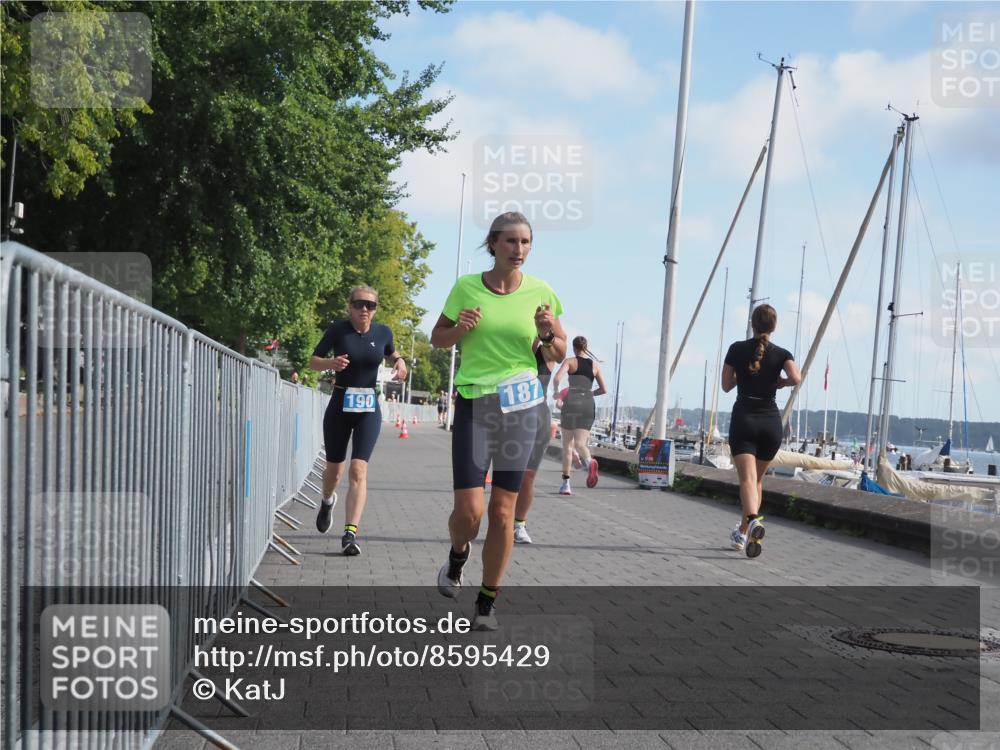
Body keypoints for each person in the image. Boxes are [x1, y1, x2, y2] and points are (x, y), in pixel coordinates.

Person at [430, 211, 566, 630]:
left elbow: (558, 354)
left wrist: (546, 334)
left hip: (521, 408)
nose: (519, 250)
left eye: (525, 242)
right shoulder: (467, 288)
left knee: (503, 512)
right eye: (511, 242)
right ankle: (457, 555)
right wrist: (460, 329)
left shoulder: (541, 292)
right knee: (469, 512)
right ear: (492, 244)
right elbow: (437, 338)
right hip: (475, 403)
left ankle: (487, 600)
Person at [310, 285, 407, 556]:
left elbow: (393, 353)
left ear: (375, 310)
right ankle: (327, 500)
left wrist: (400, 364)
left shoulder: (383, 332)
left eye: (371, 305)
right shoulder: (337, 330)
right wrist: (331, 363)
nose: (365, 309)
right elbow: (313, 361)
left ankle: (350, 533)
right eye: (359, 304)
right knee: (334, 471)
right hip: (340, 405)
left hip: (367, 408)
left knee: (358, 470)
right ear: (349, 306)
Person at [721, 304, 801, 558]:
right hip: (770, 423)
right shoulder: (782, 353)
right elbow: (797, 378)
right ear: (774, 327)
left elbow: (725, 386)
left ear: (752, 323)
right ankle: (743, 533)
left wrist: (743, 376)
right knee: (757, 481)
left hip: (744, 419)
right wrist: (781, 382)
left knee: (746, 480)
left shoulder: (736, 349)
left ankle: (752, 521)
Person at [513, 338, 557, 544]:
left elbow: (557, 348)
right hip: (509, 416)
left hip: (538, 418)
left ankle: (519, 525)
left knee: (528, 477)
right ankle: (500, 520)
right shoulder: (508, 349)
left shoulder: (545, 352)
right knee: (507, 476)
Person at [552, 336, 607, 495]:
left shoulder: (570, 362)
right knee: (581, 444)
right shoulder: (595, 366)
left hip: (571, 403)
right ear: (586, 347)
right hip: (588, 405)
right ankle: (589, 462)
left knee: (567, 447)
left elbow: (557, 378)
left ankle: (566, 484)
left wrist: (556, 392)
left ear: (574, 348)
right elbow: (604, 389)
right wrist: (590, 393)